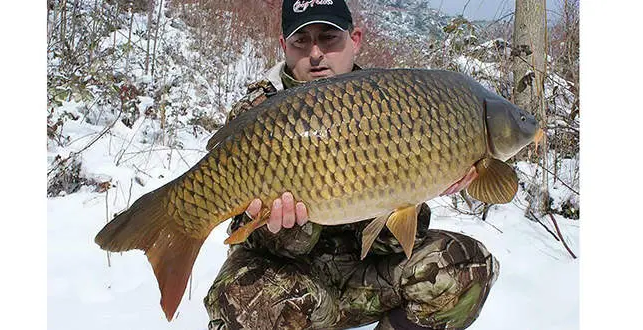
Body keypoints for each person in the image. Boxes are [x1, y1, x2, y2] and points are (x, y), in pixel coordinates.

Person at [204, 1, 498, 329]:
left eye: (329, 38)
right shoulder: (256, 115)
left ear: (355, 39)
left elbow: (391, 241)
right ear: (284, 46)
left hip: (364, 277)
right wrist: (285, 229)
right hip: (291, 283)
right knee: (245, 300)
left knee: (466, 265)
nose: (316, 53)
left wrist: (427, 184)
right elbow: (248, 241)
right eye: (302, 41)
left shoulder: (394, 101)